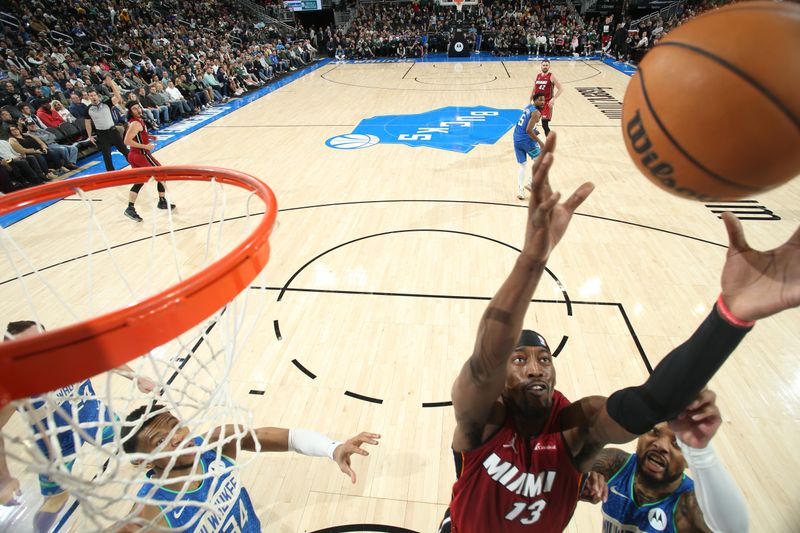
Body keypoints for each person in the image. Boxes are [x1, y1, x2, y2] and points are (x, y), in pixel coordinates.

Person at [439, 133, 799, 532]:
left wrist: (731, 316)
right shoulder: (482, 420)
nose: (536, 368)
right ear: (502, 383)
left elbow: (649, 403)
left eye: (544, 359)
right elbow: (484, 364)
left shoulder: (577, 426)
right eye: (520, 360)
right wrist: (532, 260)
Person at [115, 402, 380, 531]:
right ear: (144, 460)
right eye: (161, 440)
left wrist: (332, 448)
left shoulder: (218, 444)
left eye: (176, 426)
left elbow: (290, 439)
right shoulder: (152, 508)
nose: (178, 438)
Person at [0, 321, 156, 533]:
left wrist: (136, 377)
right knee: (55, 502)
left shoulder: (70, 354)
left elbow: (103, 359)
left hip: (97, 419)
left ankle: (140, 456)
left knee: (140, 438)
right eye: (28, 347)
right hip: (56, 446)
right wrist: (4, 479)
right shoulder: (13, 390)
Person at [590, 389, 749, 532]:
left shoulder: (688, 505)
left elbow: (734, 530)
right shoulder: (614, 464)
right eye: (654, 432)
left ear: (688, 461)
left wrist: (702, 454)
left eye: (677, 444)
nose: (660, 445)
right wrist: (580, 485)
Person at [122, 102, 176, 222]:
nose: (138, 110)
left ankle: (130, 208)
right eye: (134, 109)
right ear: (130, 111)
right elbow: (126, 141)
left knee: (140, 181)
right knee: (162, 173)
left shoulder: (135, 121)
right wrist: (145, 146)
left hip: (134, 155)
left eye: (138, 107)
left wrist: (149, 136)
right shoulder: (135, 123)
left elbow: (137, 135)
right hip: (141, 155)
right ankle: (162, 201)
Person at [85, 77, 129, 171]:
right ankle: (111, 172)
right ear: (89, 97)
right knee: (106, 155)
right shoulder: (88, 109)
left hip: (112, 131)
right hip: (101, 134)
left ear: (98, 96)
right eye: (91, 96)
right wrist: (89, 136)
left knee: (124, 150)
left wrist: (112, 84)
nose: (93, 97)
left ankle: (135, 164)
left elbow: (118, 97)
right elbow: (87, 123)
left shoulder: (107, 103)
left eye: (94, 95)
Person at [512, 93, 546, 200]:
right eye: (540, 100)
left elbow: (524, 125)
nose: (542, 102)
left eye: (543, 100)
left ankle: (520, 192)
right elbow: (528, 130)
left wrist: (535, 130)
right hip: (526, 140)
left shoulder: (528, 107)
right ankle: (531, 183)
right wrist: (540, 142)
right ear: (534, 101)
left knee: (523, 165)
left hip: (516, 138)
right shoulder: (536, 113)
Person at [529, 60, 562, 137]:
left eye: (546, 65)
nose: (545, 67)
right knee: (532, 124)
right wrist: (529, 100)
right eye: (543, 65)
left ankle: (549, 144)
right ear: (541, 66)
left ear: (549, 66)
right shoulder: (538, 76)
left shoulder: (551, 76)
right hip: (536, 103)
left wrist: (553, 99)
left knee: (544, 124)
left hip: (546, 103)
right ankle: (532, 143)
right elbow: (534, 89)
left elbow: (560, 88)